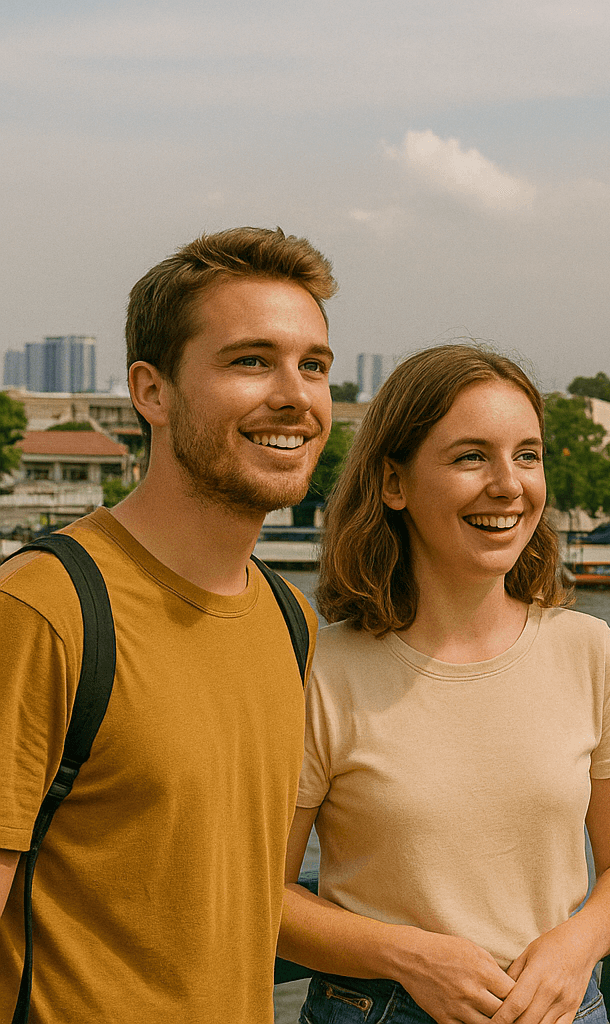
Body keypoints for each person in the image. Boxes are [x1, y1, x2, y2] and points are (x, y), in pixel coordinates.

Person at [0, 227, 336, 1021]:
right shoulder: (45, 610)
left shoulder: (289, 621)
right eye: (251, 360)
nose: (295, 394)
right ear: (151, 392)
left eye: (313, 365)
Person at [278, 344, 610, 1024]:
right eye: (470, 457)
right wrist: (407, 955)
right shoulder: (323, 670)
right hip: (380, 1008)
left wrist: (577, 945)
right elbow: (260, 896)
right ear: (394, 484)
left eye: (527, 455)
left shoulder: (591, 650)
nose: (509, 484)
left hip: (562, 1005)